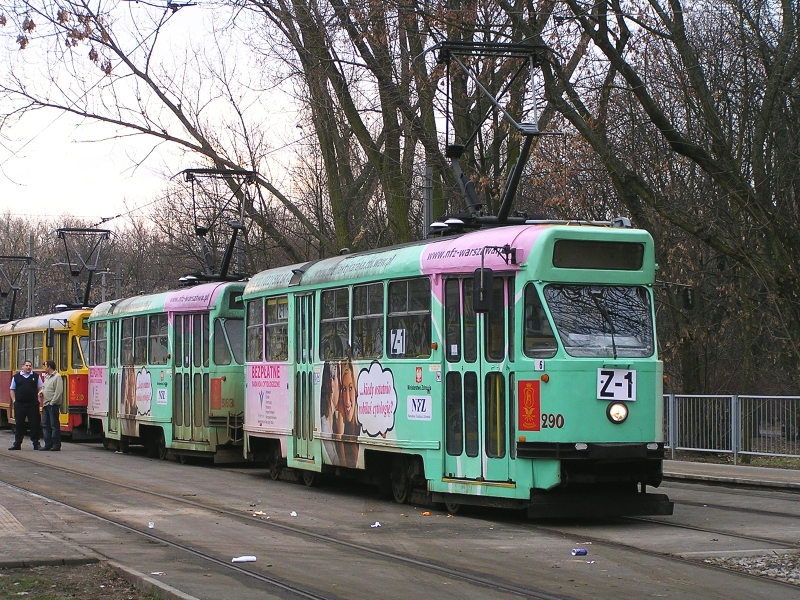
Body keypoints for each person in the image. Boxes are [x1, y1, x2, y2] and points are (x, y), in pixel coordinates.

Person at [8, 360, 43, 450]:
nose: (28, 367)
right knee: (19, 424)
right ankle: (17, 443)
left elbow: (40, 388)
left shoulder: (36, 376)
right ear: (22, 366)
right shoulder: (16, 377)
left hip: (33, 404)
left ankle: (36, 443)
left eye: (30, 366)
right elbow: (12, 389)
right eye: (26, 365)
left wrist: (39, 397)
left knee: (34, 424)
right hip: (20, 404)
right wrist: (14, 400)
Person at [40, 360, 63, 451]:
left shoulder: (57, 377)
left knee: (54, 425)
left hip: (52, 405)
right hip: (45, 404)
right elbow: (45, 388)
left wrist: (52, 402)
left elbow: (58, 391)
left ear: (49, 367)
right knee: (45, 425)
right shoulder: (47, 377)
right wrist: (41, 393)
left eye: (45, 366)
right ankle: (47, 444)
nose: (44, 368)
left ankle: (56, 444)